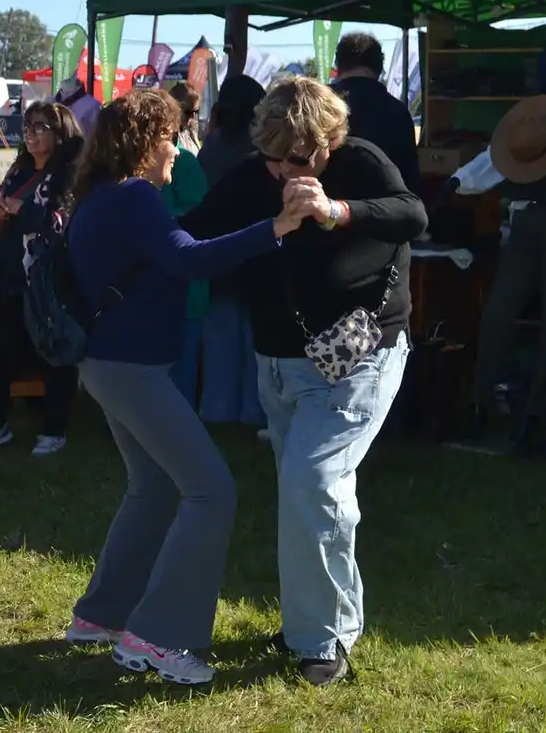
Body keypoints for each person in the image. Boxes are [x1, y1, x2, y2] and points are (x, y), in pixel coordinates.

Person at [179, 75, 427, 686]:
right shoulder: (254, 174)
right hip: (280, 361)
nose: (280, 172)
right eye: (271, 159)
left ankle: (324, 638)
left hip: (359, 359)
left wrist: (336, 211)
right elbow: (196, 228)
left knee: (313, 484)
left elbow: (411, 214)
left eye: (293, 160)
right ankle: (312, 624)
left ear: (327, 143)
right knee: (305, 494)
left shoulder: (360, 161)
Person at [61, 89, 307, 685]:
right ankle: (159, 637)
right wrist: (275, 227)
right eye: (171, 137)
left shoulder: (101, 194)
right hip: (131, 369)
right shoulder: (135, 196)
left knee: (153, 487)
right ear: (145, 143)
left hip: (108, 364)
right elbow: (188, 260)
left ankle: (101, 616)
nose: (178, 148)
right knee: (211, 491)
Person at [448, 30, 546, 455]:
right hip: (528, 215)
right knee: (500, 310)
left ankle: (536, 415)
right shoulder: (531, 117)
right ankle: (480, 404)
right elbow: (497, 157)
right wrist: (459, 181)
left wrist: (543, 139)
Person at [0, 101, 84, 456]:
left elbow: (62, 223)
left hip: (48, 280)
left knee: (52, 351)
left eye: (40, 127)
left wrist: (23, 209)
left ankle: (54, 429)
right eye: (28, 126)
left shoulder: (70, 174)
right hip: (8, 273)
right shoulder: (19, 169)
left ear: (60, 133)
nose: (30, 134)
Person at [195, 76, 269, 428]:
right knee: (255, 340)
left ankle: (217, 409)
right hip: (257, 252)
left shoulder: (211, 148)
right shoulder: (263, 151)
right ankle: (254, 411)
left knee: (220, 337)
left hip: (217, 252)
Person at [161, 87, 210, 408]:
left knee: (180, 372)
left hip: (182, 290)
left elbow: (199, 216)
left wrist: (155, 221)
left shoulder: (186, 163)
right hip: (143, 291)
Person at [333, 32, 421, 196]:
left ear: (338, 66)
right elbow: (411, 181)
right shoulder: (398, 112)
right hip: (383, 207)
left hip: (320, 206)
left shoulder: (315, 106)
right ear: (379, 68)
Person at [169, 82, 204, 156]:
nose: (193, 116)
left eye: (196, 112)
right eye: (188, 112)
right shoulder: (167, 135)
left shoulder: (192, 130)